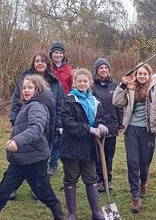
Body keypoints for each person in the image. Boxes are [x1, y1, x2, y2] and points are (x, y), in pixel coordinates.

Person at [0, 75, 63, 220]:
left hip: (34, 162)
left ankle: (59, 216)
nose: (26, 90)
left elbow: (36, 128)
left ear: (38, 90)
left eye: (30, 87)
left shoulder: (37, 106)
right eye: (24, 87)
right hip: (19, 162)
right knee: (1, 194)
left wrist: (17, 141)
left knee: (46, 196)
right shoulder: (28, 104)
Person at [9, 53, 64, 199]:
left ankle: (37, 187)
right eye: (37, 61)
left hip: (47, 125)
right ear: (33, 63)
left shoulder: (55, 83)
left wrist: (59, 125)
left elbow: (59, 106)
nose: (40, 63)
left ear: (47, 63)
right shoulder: (24, 80)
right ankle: (12, 186)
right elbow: (16, 101)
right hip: (24, 124)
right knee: (19, 155)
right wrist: (14, 120)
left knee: (41, 157)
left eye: (43, 61)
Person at [112, 63, 156, 213]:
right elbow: (116, 101)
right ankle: (135, 196)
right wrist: (122, 84)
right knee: (132, 162)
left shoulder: (155, 88)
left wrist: (155, 78)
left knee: (144, 162)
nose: (142, 76)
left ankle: (144, 182)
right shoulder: (130, 88)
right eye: (139, 73)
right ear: (136, 75)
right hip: (132, 130)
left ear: (149, 75)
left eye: (145, 74)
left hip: (148, 130)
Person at [60, 69, 108, 220]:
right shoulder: (69, 100)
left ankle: (96, 211)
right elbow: (68, 123)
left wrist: (100, 125)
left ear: (90, 83)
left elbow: (100, 117)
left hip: (89, 148)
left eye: (85, 81)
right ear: (74, 82)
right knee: (71, 178)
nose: (82, 83)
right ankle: (72, 213)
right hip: (72, 147)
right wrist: (89, 129)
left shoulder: (95, 101)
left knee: (91, 178)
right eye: (79, 81)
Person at [92, 58, 124, 192]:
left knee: (109, 154)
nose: (104, 70)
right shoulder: (92, 86)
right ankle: (99, 179)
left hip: (112, 125)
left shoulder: (115, 86)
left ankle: (108, 179)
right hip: (98, 125)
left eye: (106, 68)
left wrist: (121, 123)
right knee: (98, 154)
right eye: (101, 68)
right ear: (97, 71)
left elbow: (119, 106)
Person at [48, 41, 73, 175]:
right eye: (56, 52)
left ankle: (53, 163)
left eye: (60, 53)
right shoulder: (46, 67)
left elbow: (71, 87)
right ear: (51, 54)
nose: (58, 55)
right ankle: (43, 160)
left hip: (63, 105)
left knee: (58, 134)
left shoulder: (68, 69)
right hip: (47, 103)